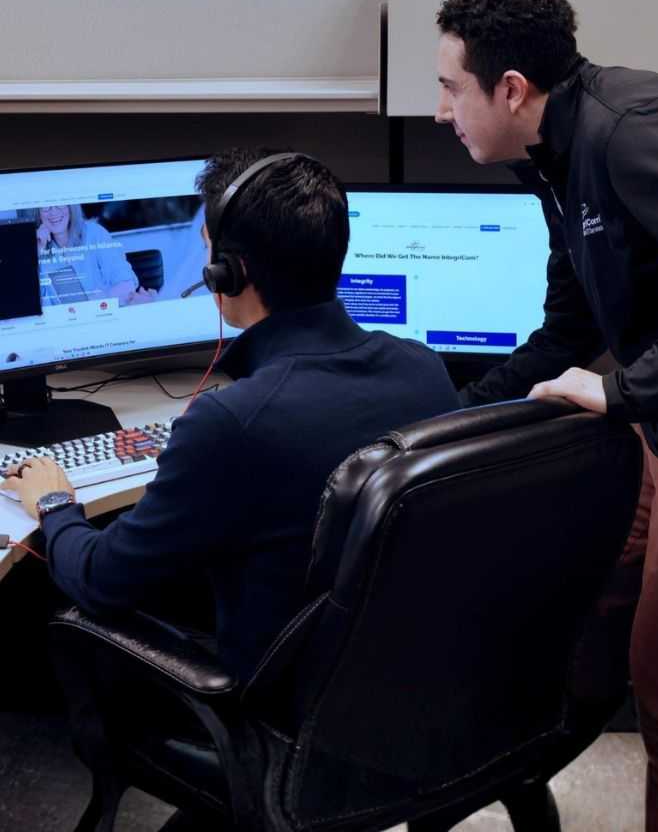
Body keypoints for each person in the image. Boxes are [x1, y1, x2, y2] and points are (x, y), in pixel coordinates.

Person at [3, 149, 460, 685]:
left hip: (276, 694)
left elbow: (101, 580)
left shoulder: (231, 422)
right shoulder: (424, 370)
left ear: (230, 273)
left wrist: (55, 504)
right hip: (401, 679)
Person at [434, 0, 658, 832]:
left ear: (511, 89)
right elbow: (564, 332)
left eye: (451, 88)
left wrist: (622, 390)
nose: (441, 111)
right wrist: (442, 417)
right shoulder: (555, 159)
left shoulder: (628, 134)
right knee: (585, 605)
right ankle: (517, 771)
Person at [27, 204, 156, 306]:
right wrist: (36, 252)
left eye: (60, 204)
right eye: (45, 207)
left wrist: (92, 304)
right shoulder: (39, 246)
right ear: (38, 212)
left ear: (71, 207)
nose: (53, 212)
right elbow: (34, 303)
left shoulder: (94, 233)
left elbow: (126, 285)